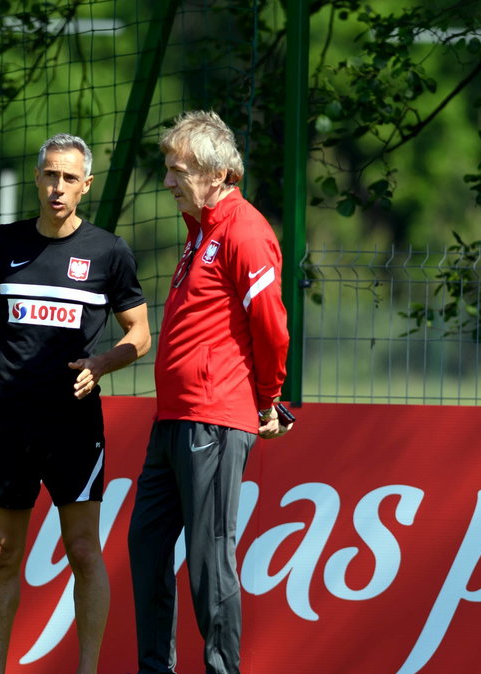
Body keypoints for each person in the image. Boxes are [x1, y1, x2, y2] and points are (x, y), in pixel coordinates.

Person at [0, 133, 150, 674]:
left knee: (84, 551)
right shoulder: (3, 243)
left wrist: (102, 365)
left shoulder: (110, 252)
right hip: (9, 420)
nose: (57, 187)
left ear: (86, 186)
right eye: (49, 175)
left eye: (69, 178)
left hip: (73, 424)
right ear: (37, 179)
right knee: (0, 554)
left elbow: (140, 333)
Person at [127, 110, 292, 674]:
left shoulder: (245, 230)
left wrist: (269, 401)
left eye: (177, 170)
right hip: (172, 420)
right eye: (168, 169)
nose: (168, 181)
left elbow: (271, 327)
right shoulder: (200, 235)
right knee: (146, 547)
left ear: (216, 175)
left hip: (215, 421)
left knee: (208, 560)